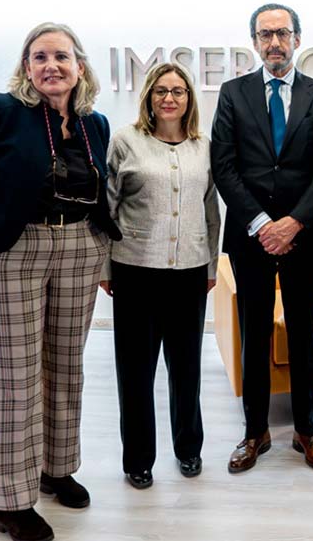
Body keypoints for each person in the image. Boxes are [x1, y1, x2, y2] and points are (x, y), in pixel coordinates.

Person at [0, 22, 121, 541]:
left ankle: (57, 469)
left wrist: (101, 245)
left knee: (65, 367)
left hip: (78, 247)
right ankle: (11, 503)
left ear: (80, 66)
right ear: (26, 67)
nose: (50, 66)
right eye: (39, 57)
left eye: (60, 56)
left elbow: (99, 188)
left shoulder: (92, 122)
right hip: (13, 250)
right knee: (14, 380)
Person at [211, 3, 313, 472]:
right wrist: (263, 223)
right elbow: (224, 167)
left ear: (297, 39)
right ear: (255, 42)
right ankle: (255, 431)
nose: (274, 43)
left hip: (305, 237)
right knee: (255, 333)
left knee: (304, 334)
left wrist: (294, 222)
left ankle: (306, 430)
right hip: (251, 237)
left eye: (282, 33)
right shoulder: (233, 93)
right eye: (265, 35)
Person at [100, 62, 221, 489]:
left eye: (179, 91)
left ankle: (189, 449)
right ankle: (138, 459)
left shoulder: (203, 147)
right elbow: (107, 207)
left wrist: (210, 264)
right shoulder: (125, 142)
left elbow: (211, 211)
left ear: (189, 99)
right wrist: (105, 266)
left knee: (186, 370)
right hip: (135, 270)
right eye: (161, 91)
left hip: (189, 271)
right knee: (135, 372)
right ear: (149, 97)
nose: (170, 98)